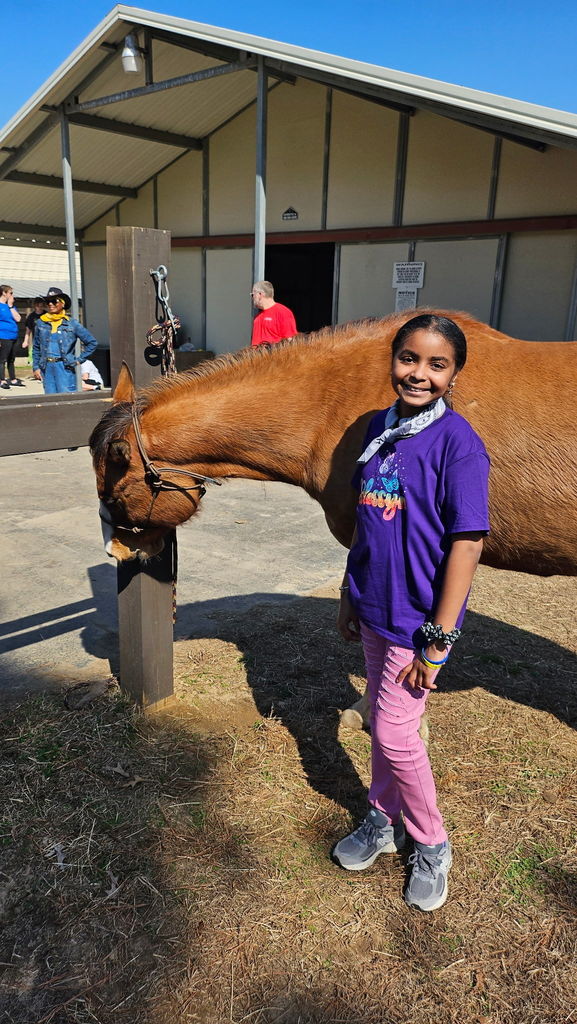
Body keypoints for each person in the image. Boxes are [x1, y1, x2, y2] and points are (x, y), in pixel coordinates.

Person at [334, 313, 490, 913]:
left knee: (398, 735)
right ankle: (381, 819)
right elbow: (368, 522)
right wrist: (351, 592)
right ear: (393, 359)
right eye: (408, 358)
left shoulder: (458, 444)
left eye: (436, 364)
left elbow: (467, 544)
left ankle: (431, 842)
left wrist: (437, 640)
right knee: (380, 716)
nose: (418, 373)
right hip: (373, 606)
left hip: (416, 621)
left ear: (454, 374)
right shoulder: (380, 428)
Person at [32, 287, 97, 394]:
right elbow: (36, 347)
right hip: (47, 368)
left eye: (54, 301)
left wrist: (78, 360)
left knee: (66, 398)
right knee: (50, 400)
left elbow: (92, 343)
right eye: (48, 302)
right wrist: (36, 367)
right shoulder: (41, 323)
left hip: (65, 368)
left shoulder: (72, 324)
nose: (50, 304)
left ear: (63, 303)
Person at [250, 281, 297, 346]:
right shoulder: (258, 316)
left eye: (252, 295)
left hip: (275, 355)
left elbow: (290, 341)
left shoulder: (283, 312)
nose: (252, 298)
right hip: (256, 355)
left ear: (260, 294)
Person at [0, 284, 23, 389]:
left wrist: (10, 306)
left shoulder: (11, 306)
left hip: (13, 335)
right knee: (2, 359)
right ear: (4, 293)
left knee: (11, 359)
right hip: (3, 336)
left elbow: (18, 319)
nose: (12, 295)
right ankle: (2, 380)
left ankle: (13, 379)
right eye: (10, 293)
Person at [23, 296, 46, 365]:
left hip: (46, 339)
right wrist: (25, 341)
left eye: (42, 306)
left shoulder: (47, 315)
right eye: (38, 306)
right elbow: (28, 330)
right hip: (36, 340)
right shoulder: (31, 316)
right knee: (37, 358)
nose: (40, 308)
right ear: (35, 306)